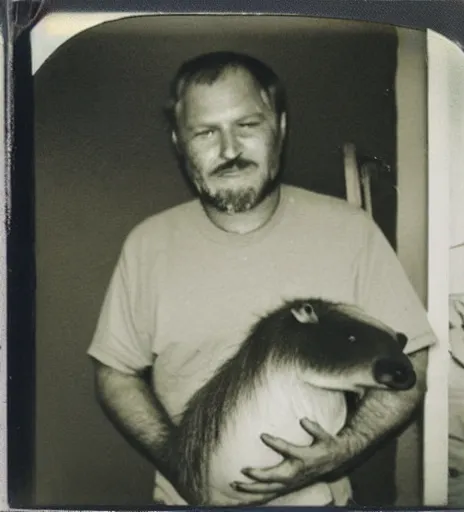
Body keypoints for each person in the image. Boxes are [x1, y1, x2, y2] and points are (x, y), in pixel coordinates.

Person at [87, 51, 437, 506]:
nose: (229, 150)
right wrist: (180, 463)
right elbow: (115, 373)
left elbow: (413, 361)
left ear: (281, 128)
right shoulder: (147, 244)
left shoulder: (350, 231)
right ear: (180, 142)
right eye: (206, 132)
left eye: (247, 125)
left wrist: (342, 452)